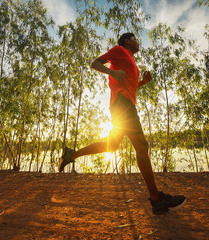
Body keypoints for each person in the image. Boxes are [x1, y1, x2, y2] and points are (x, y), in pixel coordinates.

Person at [58, 33, 186, 215]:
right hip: (121, 103)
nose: (137, 41)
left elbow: (130, 86)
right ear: (127, 41)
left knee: (112, 146)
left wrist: (143, 82)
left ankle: (72, 154)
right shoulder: (118, 50)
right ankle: (156, 199)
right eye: (135, 38)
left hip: (123, 104)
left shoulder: (134, 64)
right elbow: (95, 63)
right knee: (141, 145)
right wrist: (112, 72)